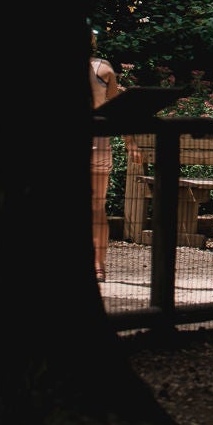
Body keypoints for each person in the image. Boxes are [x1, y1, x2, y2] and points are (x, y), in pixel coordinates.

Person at [90, 40, 120, 284]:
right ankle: (98, 266)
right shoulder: (104, 68)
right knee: (97, 207)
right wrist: (131, 143)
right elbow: (118, 111)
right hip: (99, 144)